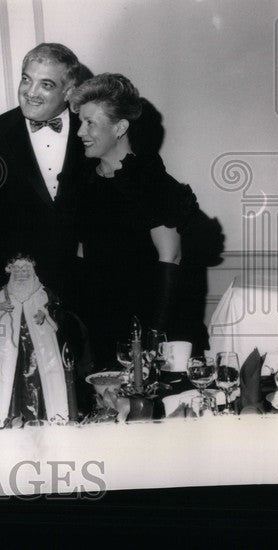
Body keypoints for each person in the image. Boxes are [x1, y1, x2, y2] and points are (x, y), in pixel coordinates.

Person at [68, 73, 207, 368]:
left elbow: (171, 257)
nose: (80, 132)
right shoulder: (84, 183)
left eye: (90, 122)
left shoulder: (151, 182)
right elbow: (82, 254)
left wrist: (154, 338)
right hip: (101, 326)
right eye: (81, 122)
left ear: (120, 127)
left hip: (152, 328)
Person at [0, 43, 92, 302]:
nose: (31, 92)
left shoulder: (92, 132)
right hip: (17, 289)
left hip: (87, 285)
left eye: (46, 85)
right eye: (26, 80)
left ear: (69, 92)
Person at [0, 254, 70, 425]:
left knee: (39, 381)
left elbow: (58, 310)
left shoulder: (43, 293)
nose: (22, 273)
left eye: (26, 269)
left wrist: (45, 313)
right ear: (11, 272)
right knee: (12, 380)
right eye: (17, 269)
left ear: (32, 270)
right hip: (12, 348)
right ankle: (11, 418)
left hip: (39, 350)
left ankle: (43, 417)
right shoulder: (3, 294)